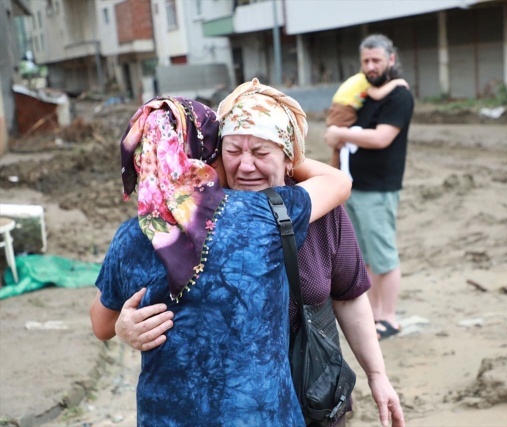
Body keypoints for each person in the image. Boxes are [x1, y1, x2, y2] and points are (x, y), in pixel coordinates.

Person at [114, 81, 406, 426]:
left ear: (290, 160)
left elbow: (348, 295)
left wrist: (377, 374)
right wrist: (125, 325)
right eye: (233, 151)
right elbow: (134, 305)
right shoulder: (191, 224)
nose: (246, 166)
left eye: (262, 152)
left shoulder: (322, 211)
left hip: (310, 393)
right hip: (228, 408)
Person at [324, 34, 414, 341]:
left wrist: (340, 134)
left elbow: (381, 138)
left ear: (391, 59)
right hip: (356, 186)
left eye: (376, 60)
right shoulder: (366, 91)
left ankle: (389, 317)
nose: (371, 66)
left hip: (379, 188)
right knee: (365, 256)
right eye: (366, 61)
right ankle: (374, 315)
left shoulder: (399, 97)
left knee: (383, 254)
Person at [326, 73, 409, 168]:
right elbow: (377, 94)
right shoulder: (365, 80)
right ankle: (335, 172)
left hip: (338, 108)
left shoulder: (357, 78)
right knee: (340, 148)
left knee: (341, 146)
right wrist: (396, 83)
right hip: (344, 110)